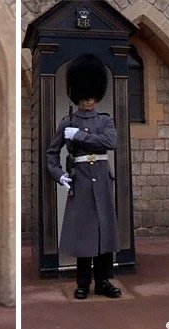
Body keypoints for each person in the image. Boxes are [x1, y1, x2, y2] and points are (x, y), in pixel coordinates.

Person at [46, 54, 121, 300]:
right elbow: (52, 153)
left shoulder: (104, 120)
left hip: (101, 178)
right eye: (85, 96)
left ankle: (103, 281)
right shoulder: (67, 121)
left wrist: (80, 136)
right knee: (84, 235)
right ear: (77, 95)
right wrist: (60, 176)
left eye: (92, 96)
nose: (89, 101)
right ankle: (82, 283)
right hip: (80, 180)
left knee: (103, 232)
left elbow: (111, 142)